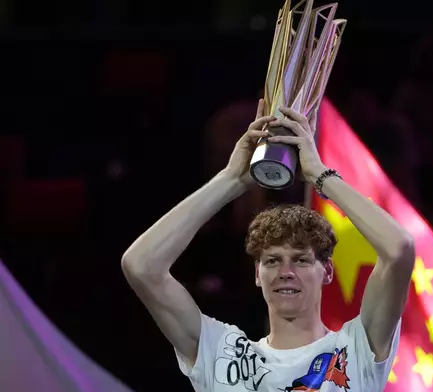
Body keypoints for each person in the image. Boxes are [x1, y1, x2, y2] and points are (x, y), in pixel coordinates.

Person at [121, 99, 415, 392]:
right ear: (257, 274)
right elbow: (141, 265)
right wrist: (231, 179)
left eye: (300, 260)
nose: (286, 271)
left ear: (327, 271)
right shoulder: (220, 354)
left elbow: (399, 249)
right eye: (272, 260)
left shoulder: (355, 350)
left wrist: (319, 176)